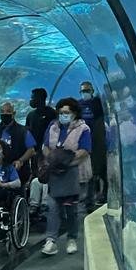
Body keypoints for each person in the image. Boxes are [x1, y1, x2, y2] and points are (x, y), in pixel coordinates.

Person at [41, 98, 92, 257]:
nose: (63, 115)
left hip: (74, 173)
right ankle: (51, 240)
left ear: (74, 113)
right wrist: (53, 160)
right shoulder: (53, 127)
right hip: (55, 174)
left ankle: (72, 238)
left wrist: (65, 161)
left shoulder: (83, 129)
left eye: (67, 112)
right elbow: (45, 146)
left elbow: (84, 151)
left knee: (72, 209)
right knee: (52, 207)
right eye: (61, 112)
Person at [0, 101, 35, 183]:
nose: (5, 114)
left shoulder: (23, 131)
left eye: (8, 111)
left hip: (18, 173)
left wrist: (20, 160)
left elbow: (31, 150)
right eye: (2, 111)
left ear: (14, 113)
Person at [78, 80, 107, 209]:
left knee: (100, 169)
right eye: (83, 91)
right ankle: (90, 197)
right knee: (88, 171)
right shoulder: (78, 104)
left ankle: (103, 194)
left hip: (98, 140)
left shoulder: (98, 103)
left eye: (87, 90)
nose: (85, 93)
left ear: (92, 91)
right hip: (84, 142)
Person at [25, 88, 57, 163]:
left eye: (32, 98)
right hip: (34, 151)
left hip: (48, 151)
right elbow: (27, 132)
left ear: (39, 99)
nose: (31, 100)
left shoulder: (52, 113)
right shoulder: (30, 115)